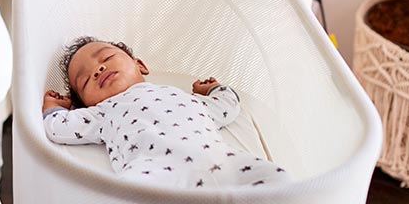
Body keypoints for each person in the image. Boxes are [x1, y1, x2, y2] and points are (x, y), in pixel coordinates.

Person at [42, 36, 290, 188]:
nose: (98, 69)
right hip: (154, 171)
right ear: (87, 103)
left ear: (140, 65)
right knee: (125, 193)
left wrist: (214, 88)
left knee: (277, 178)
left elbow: (227, 106)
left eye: (106, 57)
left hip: (220, 161)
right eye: (85, 80)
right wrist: (54, 108)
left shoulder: (182, 95)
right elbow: (59, 128)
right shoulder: (103, 113)